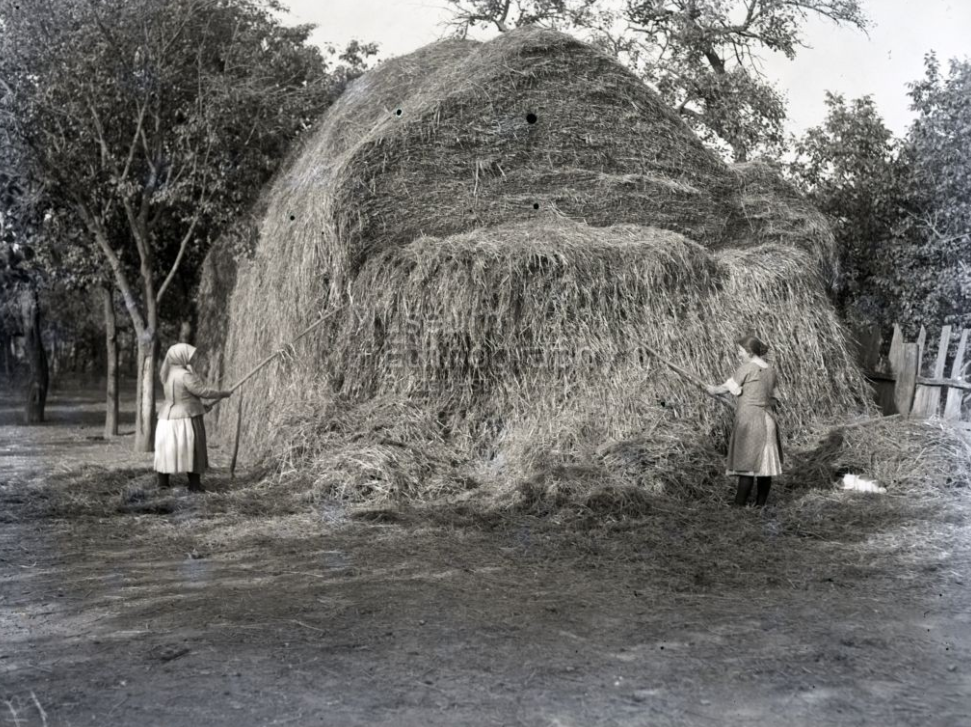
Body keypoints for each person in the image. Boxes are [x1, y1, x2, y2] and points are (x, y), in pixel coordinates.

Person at [706, 336, 784, 507]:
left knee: (747, 465)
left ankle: (738, 505)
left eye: (740, 351)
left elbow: (724, 389)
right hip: (768, 421)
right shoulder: (770, 370)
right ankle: (760, 505)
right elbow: (775, 399)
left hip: (751, 423)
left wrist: (712, 389)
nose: (738, 354)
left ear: (749, 352)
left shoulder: (747, 368)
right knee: (765, 467)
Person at [155, 343, 232, 492]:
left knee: (166, 450)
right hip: (185, 418)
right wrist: (222, 393)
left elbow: (182, 396)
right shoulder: (184, 375)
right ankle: (194, 485)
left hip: (166, 420)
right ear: (181, 357)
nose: (190, 359)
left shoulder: (166, 373)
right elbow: (202, 391)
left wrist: (200, 407)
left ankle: (163, 484)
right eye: (188, 355)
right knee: (194, 449)